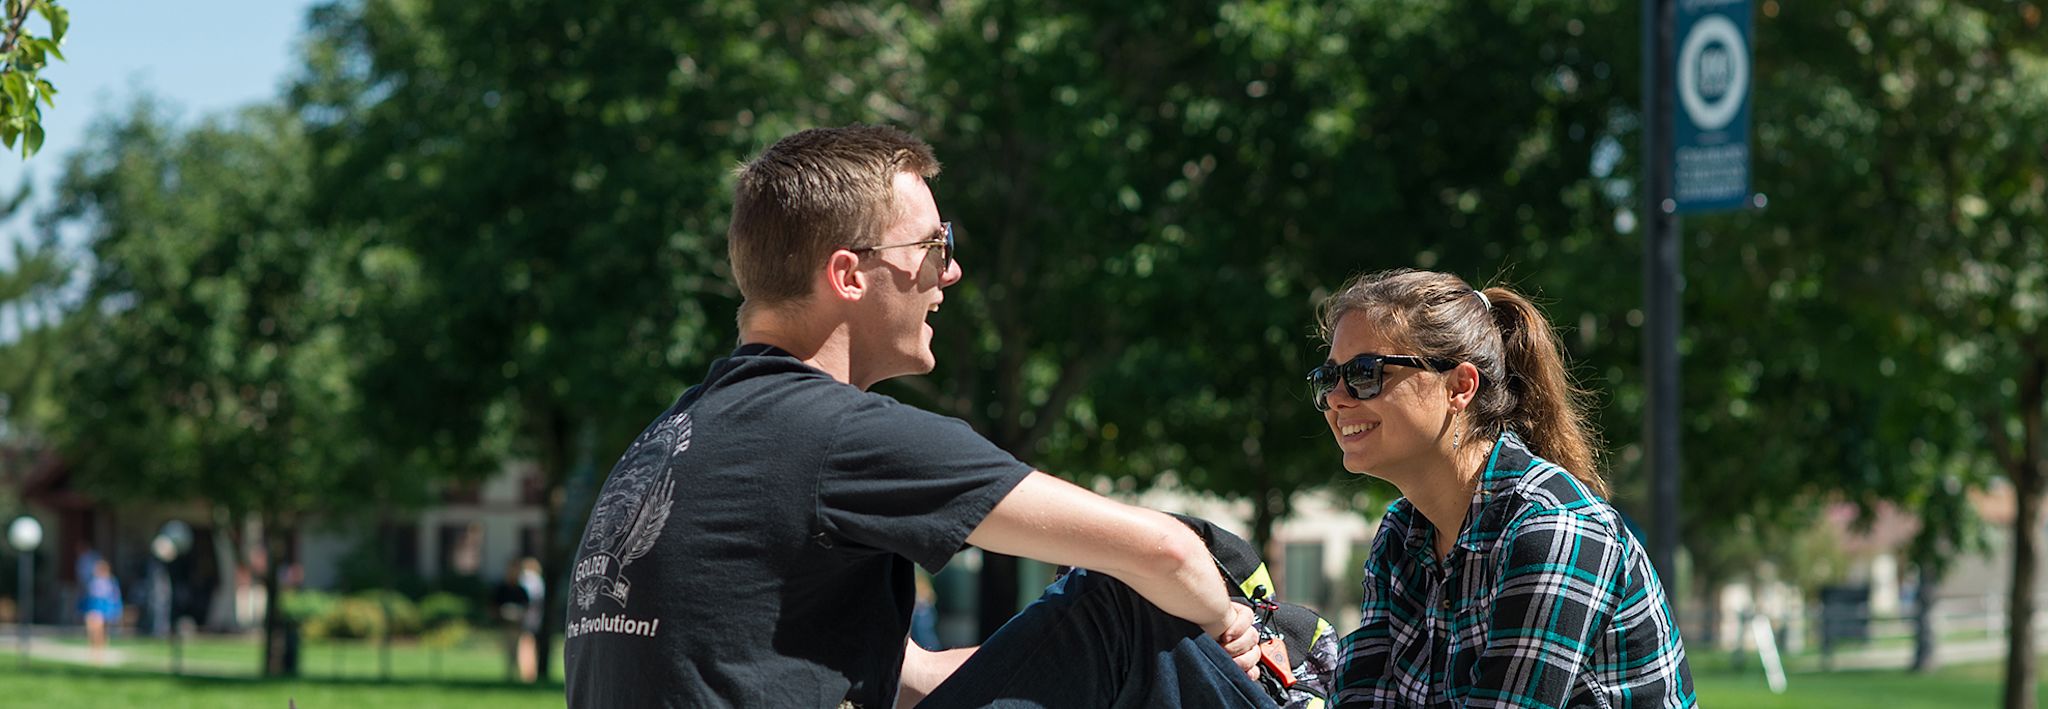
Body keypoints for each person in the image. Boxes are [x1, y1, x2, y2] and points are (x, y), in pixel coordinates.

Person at [564, 125, 1270, 709]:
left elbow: (918, 679)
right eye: (933, 247)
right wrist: (1231, 625)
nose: (951, 272)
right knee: (1129, 601)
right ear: (846, 275)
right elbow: (1164, 551)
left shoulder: (683, 432)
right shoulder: (833, 430)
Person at [1308, 269, 1695, 708]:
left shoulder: (1553, 528)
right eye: (1327, 378)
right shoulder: (1400, 534)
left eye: (1364, 373)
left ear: (1460, 386)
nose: (1338, 398)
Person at [495, 558, 537, 682]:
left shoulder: (521, 590)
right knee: (508, 652)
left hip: (518, 626)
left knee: (520, 652)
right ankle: (510, 674)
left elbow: (527, 607)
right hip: (505, 625)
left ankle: (521, 675)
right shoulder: (502, 588)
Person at [82, 559, 122, 662]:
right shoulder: (93, 581)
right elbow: (89, 596)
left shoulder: (110, 582)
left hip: (103, 607)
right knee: (91, 629)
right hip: (93, 606)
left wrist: (115, 610)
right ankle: (93, 650)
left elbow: (114, 597)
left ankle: (99, 652)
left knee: (100, 631)